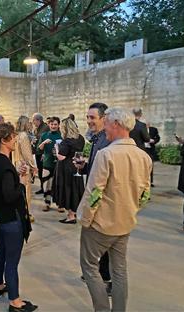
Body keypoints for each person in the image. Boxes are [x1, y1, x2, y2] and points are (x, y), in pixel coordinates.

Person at [78, 107, 152, 312]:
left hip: (100, 224)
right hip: (125, 222)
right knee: (119, 271)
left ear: (116, 124)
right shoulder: (144, 157)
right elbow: (145, 194)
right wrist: (131, 211)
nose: (105, 128)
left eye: (107, 124)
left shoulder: (106, 154)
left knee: (90, 267)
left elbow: (94, 193)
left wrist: (84, 219)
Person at [0, 123, 37, 312]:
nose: (16, 139)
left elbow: (3, 186)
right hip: (12, 219)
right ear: (4, 140)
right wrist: (22, 182)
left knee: (1, 251)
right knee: (12, 260)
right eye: (13, 136)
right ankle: (15, 302)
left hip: (2, 217)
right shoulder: (5, 165)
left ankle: (0, 286)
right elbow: (10, 195)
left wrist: (15, 175)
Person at [74, 102, 114, 295]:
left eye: (92, 117)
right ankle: (99, 272)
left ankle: (105, 277)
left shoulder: (108, 140)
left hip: (103, 199)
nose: (89, 121)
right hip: (95, 195)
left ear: (104, 119)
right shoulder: (98, 139)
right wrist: (85, 166)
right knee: (97, 240)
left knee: (102, 239)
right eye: (88, 117)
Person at [54, 118, 86, 223]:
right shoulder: (80, 138)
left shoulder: (66, 141)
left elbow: (61, 157)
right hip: (77, 165)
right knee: (75, 190)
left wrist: (57, 147)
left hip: (66, 168)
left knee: (68, 190)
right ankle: (73, 213)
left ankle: (71, 216)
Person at [13, 116, 37, 221]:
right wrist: (33, 167)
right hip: (24, 166)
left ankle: (20, 211)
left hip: (17, 164)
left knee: (19, 190)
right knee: (26, 190)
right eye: (28, 122)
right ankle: (26, 213)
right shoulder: (24, 136)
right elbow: (27, 154)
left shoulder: (16, 135)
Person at [36, 116, 61, 210]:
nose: (53, 126)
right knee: (46, 184)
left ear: (58, 125)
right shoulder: (44, 135)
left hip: (59, 164)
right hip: (47, 163)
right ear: (49, 125)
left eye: (55, 124)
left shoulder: (61, 136)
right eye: (52, 124)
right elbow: (38, 150)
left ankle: (60, 205)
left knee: (58, 185)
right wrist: (43, 143)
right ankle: (47, 204)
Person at [31, 113, 49, 195]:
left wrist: (44, 153)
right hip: (38, 152)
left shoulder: (45, 128)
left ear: (38, 120)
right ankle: (42, 187)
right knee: (40, 171)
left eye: (33, 120)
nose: (33, 122)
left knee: (44, 171)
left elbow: (47, 141)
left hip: (43, 154)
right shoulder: (37, 128)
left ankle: (46, 189)